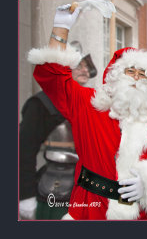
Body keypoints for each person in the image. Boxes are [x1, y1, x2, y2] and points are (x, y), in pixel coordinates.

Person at [26, 3, 147, 220]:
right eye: (130, 71)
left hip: (139, 216)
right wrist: (61, 29)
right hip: (88, 208)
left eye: (143, 74)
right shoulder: (89, 105)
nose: (136, 78)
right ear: (115, 75)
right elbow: (53, 77)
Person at [19, 42, 97, 220]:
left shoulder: (91, 102)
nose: (85, 71)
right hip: (55, 188)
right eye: (79, 65)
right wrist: (25, 196)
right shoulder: (41, 104)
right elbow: (23, 152)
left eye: (87, 66)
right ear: (63, 69)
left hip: (89, 187)